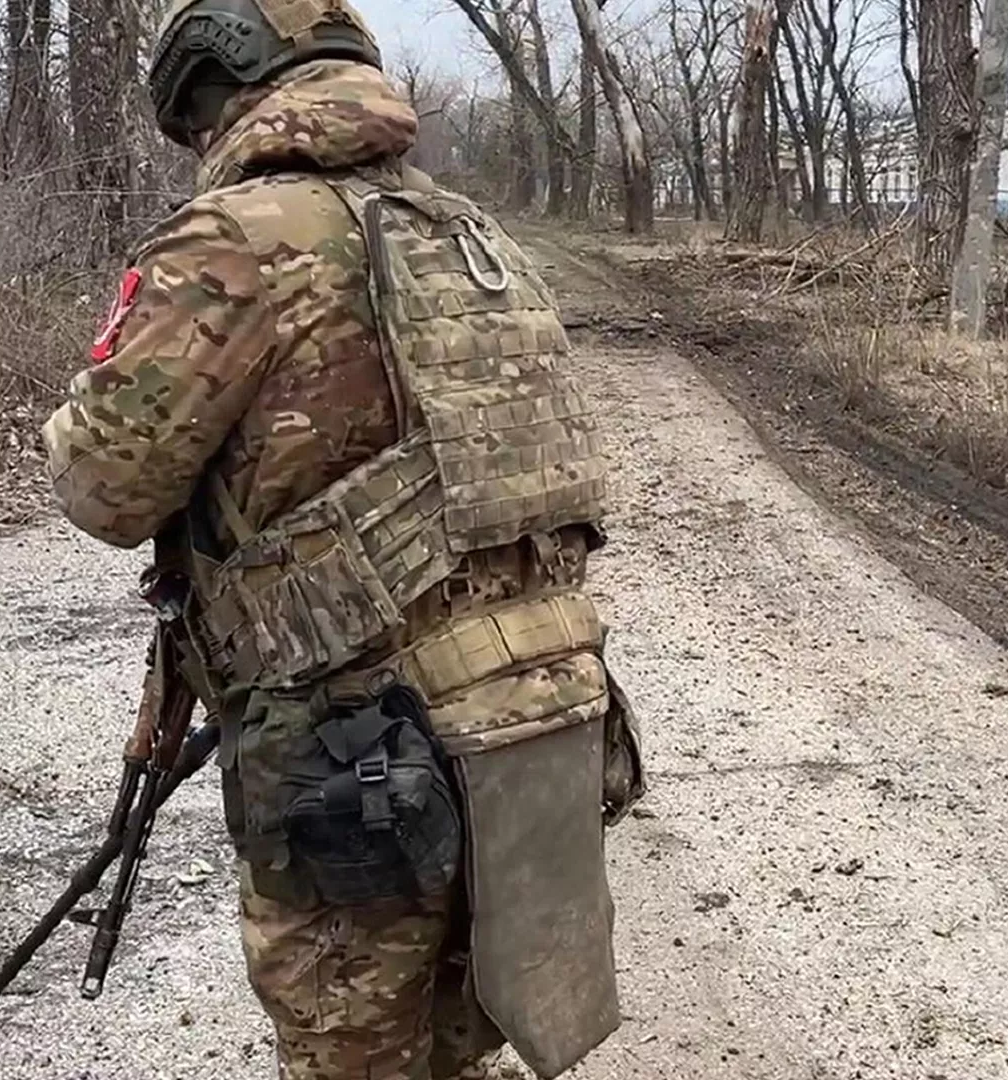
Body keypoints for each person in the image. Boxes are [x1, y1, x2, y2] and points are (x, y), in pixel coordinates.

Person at [41, 2, 647, 1077]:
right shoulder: (469, 235)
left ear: (210, 93)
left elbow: (103, 487)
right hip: (542, 715)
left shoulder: (237, 241)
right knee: (459, 1036)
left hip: (364, 754)